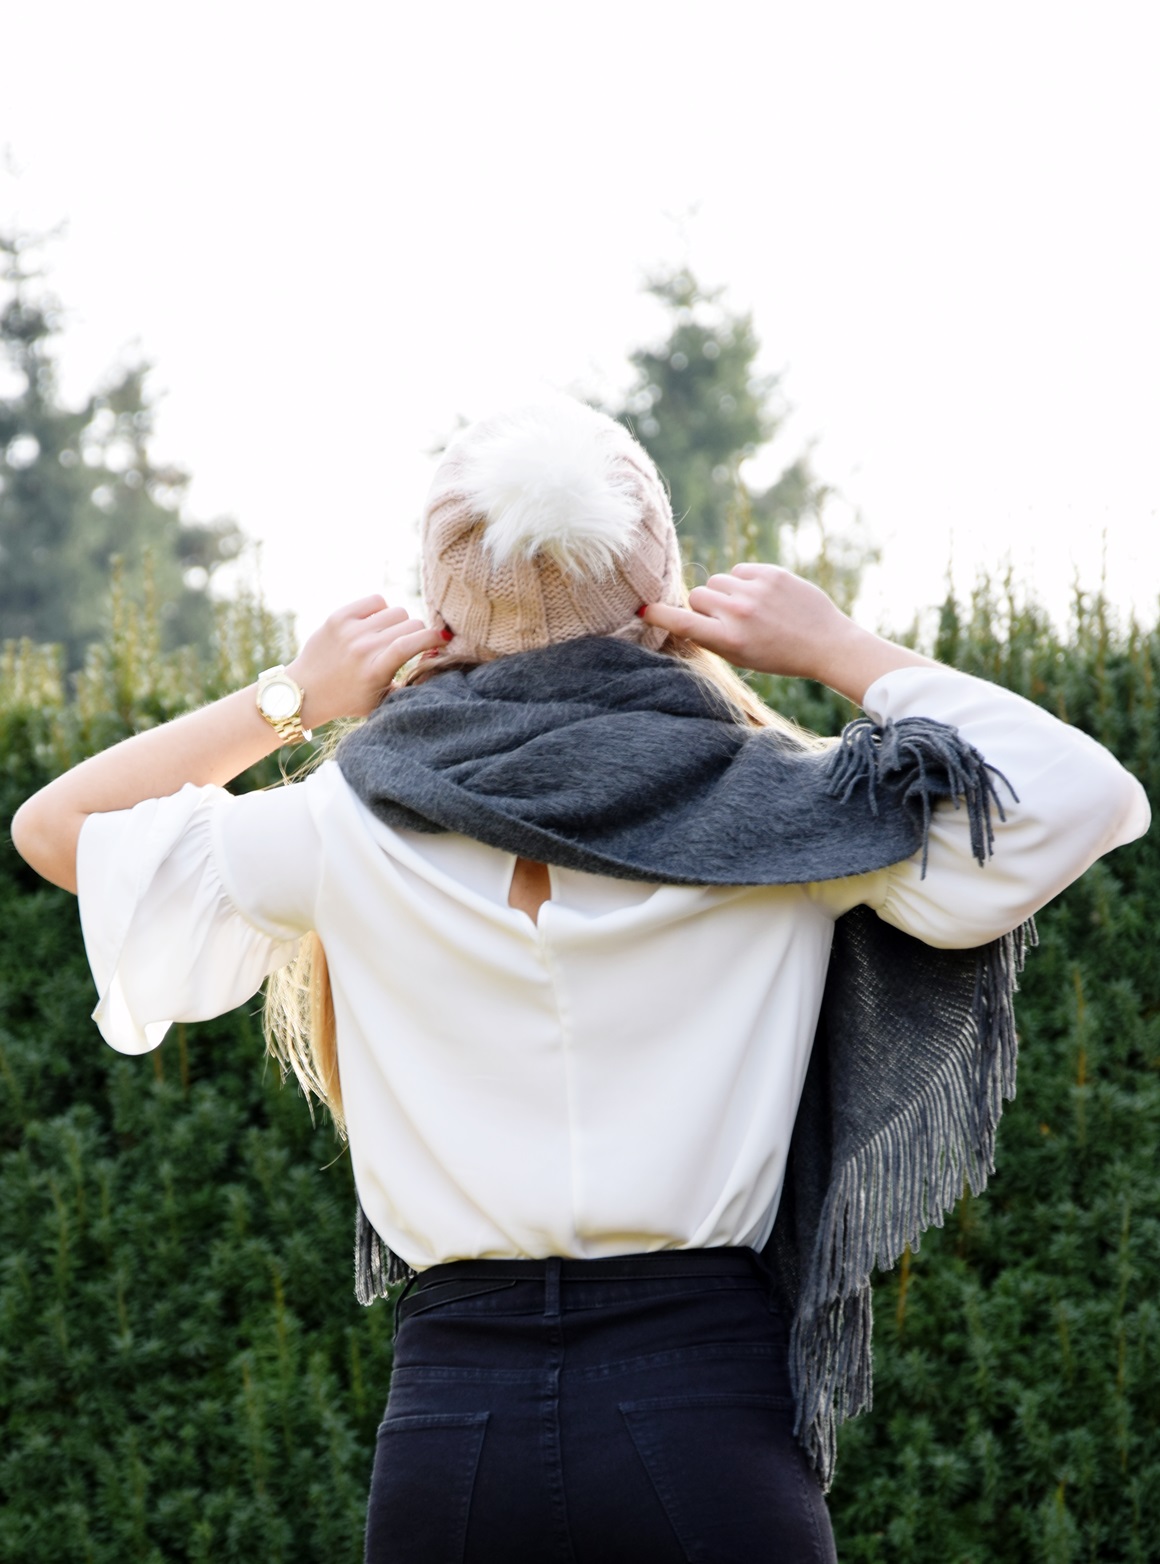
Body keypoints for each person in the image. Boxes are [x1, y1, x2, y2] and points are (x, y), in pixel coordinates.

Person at [12, 397, 1149, 1563]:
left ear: (441, 611)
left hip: (453, 1422)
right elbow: (1084, 796)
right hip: (704, 1408)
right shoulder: (782, 807)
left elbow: (57, 830)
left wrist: (294, 695)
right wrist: (831, 646)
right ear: (658, 590)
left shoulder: (338, 825)